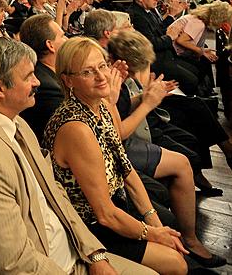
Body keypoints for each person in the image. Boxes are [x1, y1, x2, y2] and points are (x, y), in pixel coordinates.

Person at [0, 38, 153, 275]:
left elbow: (56, 194)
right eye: (28, 77)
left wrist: (95, 254)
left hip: (73, 253)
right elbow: (12, 263)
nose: (38, 82)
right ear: (0, 88)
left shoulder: (18, 124)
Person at [42, 37, 188, 274]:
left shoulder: (102, 104)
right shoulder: (76, 128)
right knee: (176, 264)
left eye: (102, 66)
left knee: (168, 226)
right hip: (87, 226)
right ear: (68, 80)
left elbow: (126, 168)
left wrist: (152, 219)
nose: (101, 77)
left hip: (115, 205)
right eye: (88, 72)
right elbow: (105, 215)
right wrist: (153, 233)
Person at [108, 29, 227, 268]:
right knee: (182, 162)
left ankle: (189, 237)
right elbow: (115, 131)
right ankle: (191, 240)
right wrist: (148, 102)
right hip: (117, 146)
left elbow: (120, 108)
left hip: (123, 141)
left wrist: (145, 96)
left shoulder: (116, 77)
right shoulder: (110, 78)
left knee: (185, 152)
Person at [127, 0, 199, 95]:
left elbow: (161, 29)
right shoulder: (137, 16)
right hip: (156, 60)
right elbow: (150, 44)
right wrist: (170, 37)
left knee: (196, 68)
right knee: (191, 80)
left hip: (166, 55)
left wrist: (173, 21)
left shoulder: (148, 11)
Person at [18, 14, 68, 141]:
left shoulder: (48, 72)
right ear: (50, 45)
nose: (67, 39)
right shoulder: (47, 87)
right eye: (62, 36)